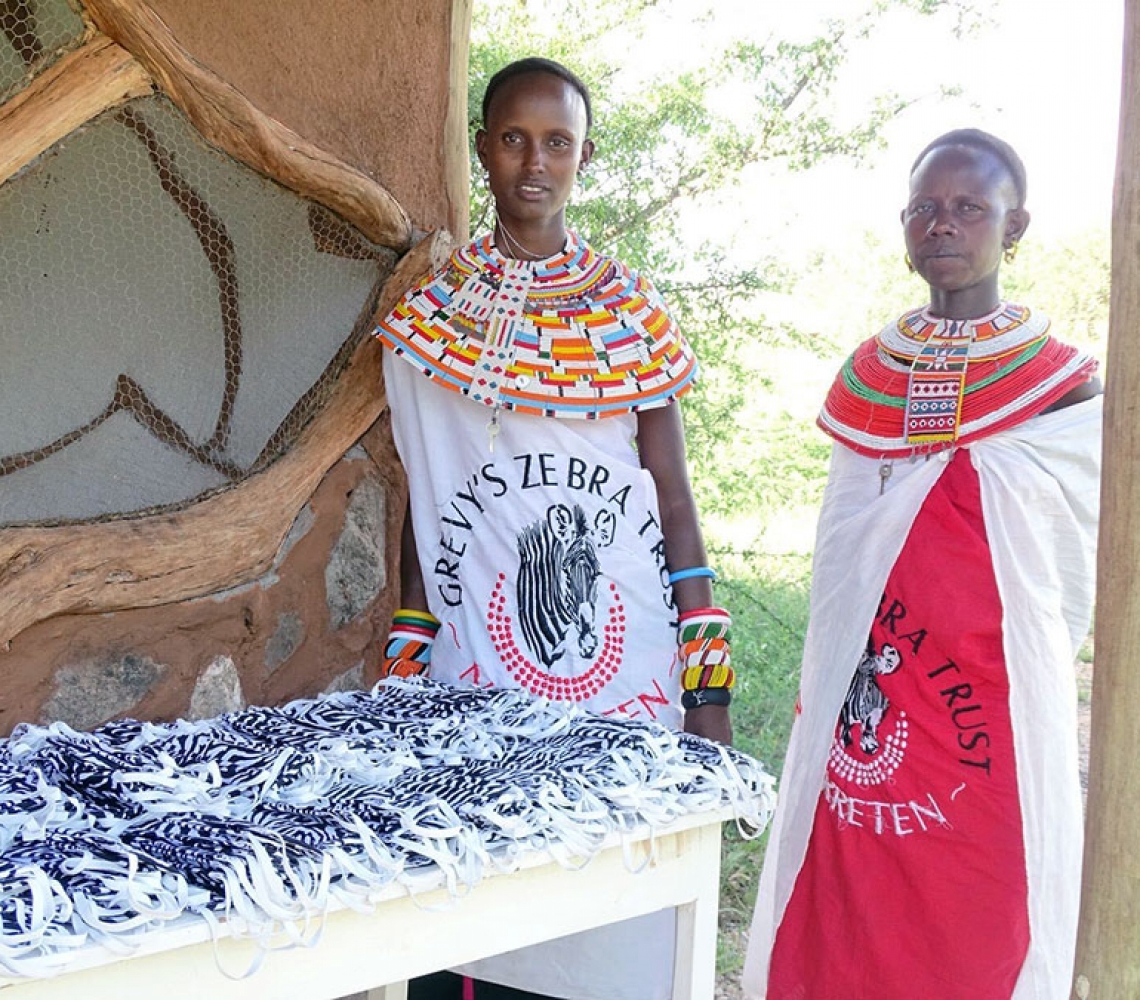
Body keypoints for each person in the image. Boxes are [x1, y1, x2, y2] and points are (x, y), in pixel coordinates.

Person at [375, 57, 733, 1000]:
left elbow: (675, 502)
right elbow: (428, 488)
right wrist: (409, 648)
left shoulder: (628, 319)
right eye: (514, 139)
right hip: (475, 669)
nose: (536, 162)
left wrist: (709, 687)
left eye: (559, 142)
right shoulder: (429, 323)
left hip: (626, 674)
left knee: (611, 911)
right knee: (469, 902)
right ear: (483, 149)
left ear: (584, 157)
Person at [743, 129, 1102, 1000]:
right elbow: (841, 557)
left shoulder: (1062, 386)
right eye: (924, 209)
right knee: (851, 896)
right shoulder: (869, 379)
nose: (943, 224)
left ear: (1015, 227)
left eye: (970, 207)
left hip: (991, 701)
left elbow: (1073, 555)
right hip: (870, 691)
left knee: (978, 903)